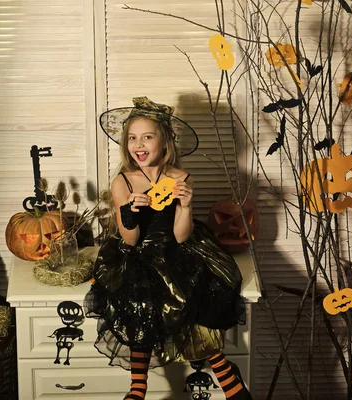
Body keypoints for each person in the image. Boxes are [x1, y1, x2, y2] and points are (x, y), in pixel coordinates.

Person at [85, 97, 252, 400]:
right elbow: (131, 239)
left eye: (147, 136)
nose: (139, 144)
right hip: (136, 251)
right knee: (139, 301)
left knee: (193, 296)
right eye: (133, 138)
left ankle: (226, 375)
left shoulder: (179, 178)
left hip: (176, 249)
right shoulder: (123, 181)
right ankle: (138, 385)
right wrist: (129, 213)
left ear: (164, 141)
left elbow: (181, 236)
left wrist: (185, 205)